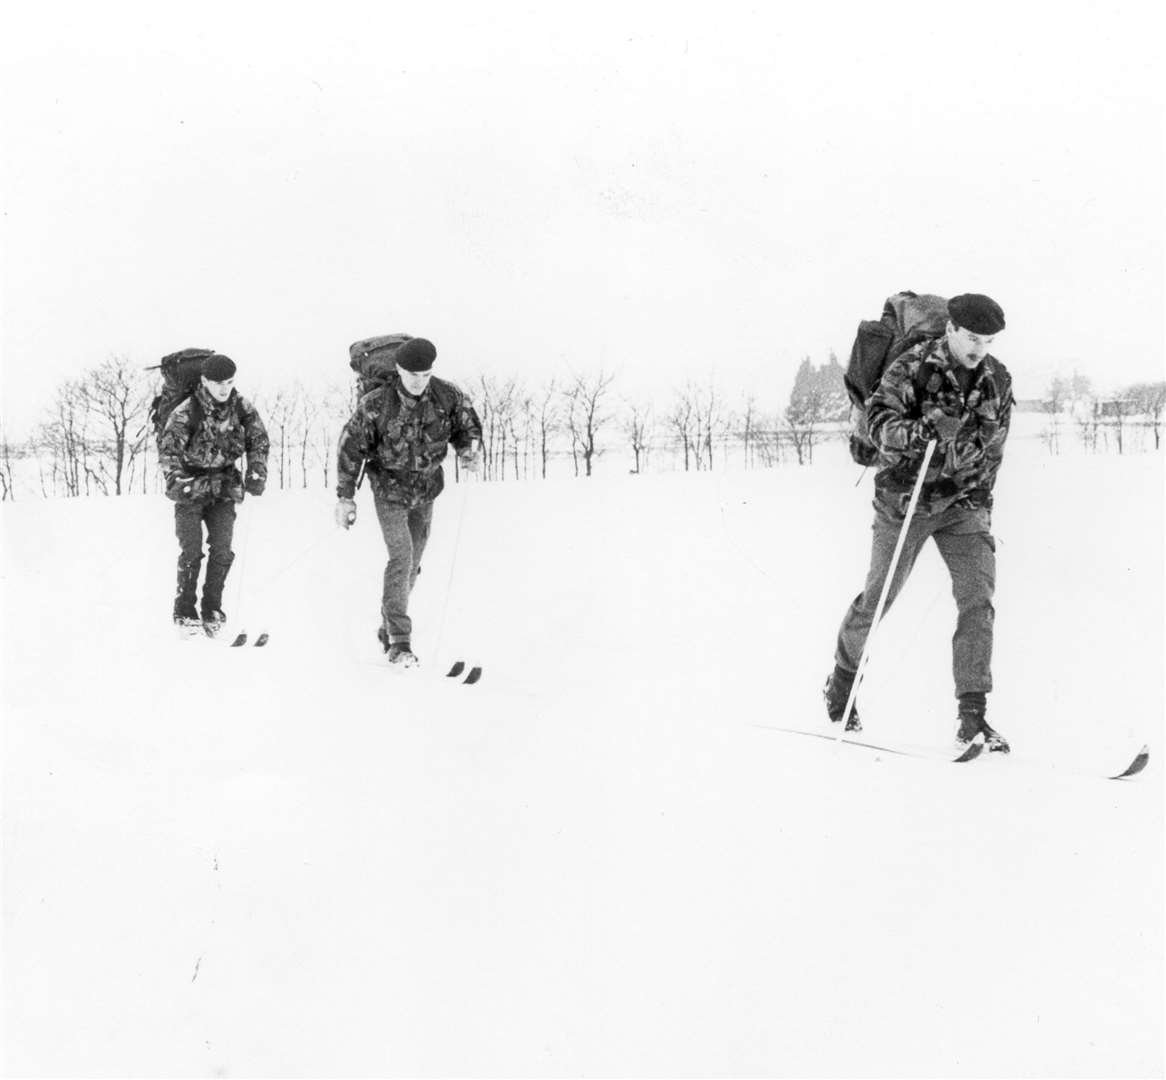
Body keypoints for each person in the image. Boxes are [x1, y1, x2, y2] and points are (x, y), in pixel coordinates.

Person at [824, 293, 1014, 751]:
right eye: (971, 338)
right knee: (879, 597)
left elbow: (994, 449)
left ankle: (973, 717)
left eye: (986, 341)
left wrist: (982, 506)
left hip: (962, 505)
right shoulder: (913, 366)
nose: (978, 349)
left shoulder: (996, 379)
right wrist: (922, 433)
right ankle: (843, 684)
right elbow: (878, 423)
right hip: (904, 502)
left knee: (977, 600)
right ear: (950, 329)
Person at [334, 337, 482, 667]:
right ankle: (400, 644)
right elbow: (349, 448)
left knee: (412, 563)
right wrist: (345, 498)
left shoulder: (447, 395)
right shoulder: (376, 404)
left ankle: (388, 626)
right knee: (401, 558)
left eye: (425, 374)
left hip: (427, 491)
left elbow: (467, 426)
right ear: (399, 369)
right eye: (412, 374)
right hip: (389, 490)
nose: (418, 381)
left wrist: (469, 450)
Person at [158, 353, 270, 637]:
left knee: (222, 550)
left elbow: (258, 438)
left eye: (230, 382)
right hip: (190, 488)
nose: (224, 388)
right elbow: (168, 452)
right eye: (218, 382)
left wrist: (257, 470)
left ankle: (212, 609)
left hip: (224, 487)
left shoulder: (241, 406)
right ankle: (184, 611)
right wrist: (177, 481)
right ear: (205, 381)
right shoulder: (186, 411)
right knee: (192, 551)